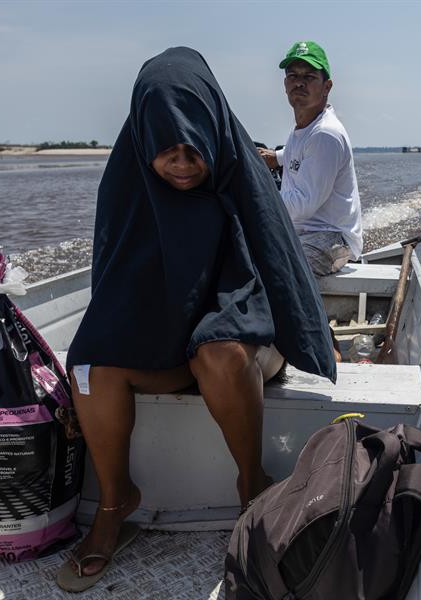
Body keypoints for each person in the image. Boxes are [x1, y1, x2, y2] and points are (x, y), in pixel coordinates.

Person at [55, 47, 336, 593]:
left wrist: (316, 335)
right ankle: (116, 501)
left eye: (193, 151)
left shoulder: (241, 170)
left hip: (248, 333)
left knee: (218, 352)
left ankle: (252, 483)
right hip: (165, 338)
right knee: (91, 365)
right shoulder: (126, 184)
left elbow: (282, 269)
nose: (182, 165)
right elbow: (115, 286)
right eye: (167, 152)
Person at [258, 41, 363, 277]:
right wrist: (276, 157)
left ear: (327, 87)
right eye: (293, 75)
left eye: (309, 76)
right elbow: (301, 153)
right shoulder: (305, 128)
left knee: (275, 270)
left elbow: (302, 205)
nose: (299, 82)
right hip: (303, 232)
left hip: (332, 238)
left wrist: (253, 196)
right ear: (285, 85)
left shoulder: (325, 134)